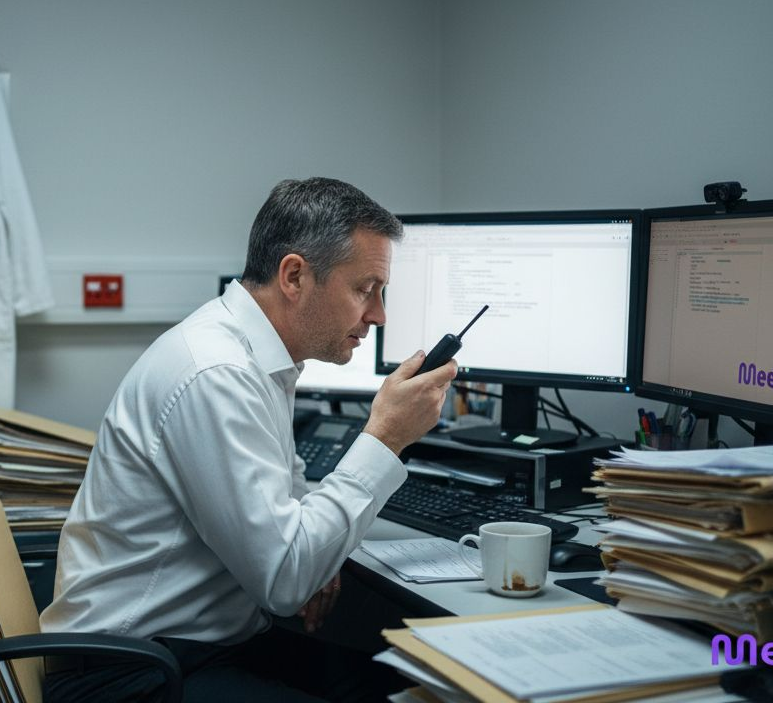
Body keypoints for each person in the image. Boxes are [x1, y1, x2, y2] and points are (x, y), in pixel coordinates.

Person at [39, 178, 460, 702]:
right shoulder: (217, 373)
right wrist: (385, 437)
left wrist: (314, 555)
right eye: (364, 290)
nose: (378, 316)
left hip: (194, 646)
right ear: (294, 276)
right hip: (131, 673)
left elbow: (285, 504)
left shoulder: (255, 356)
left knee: (397, 679)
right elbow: (286, 581)